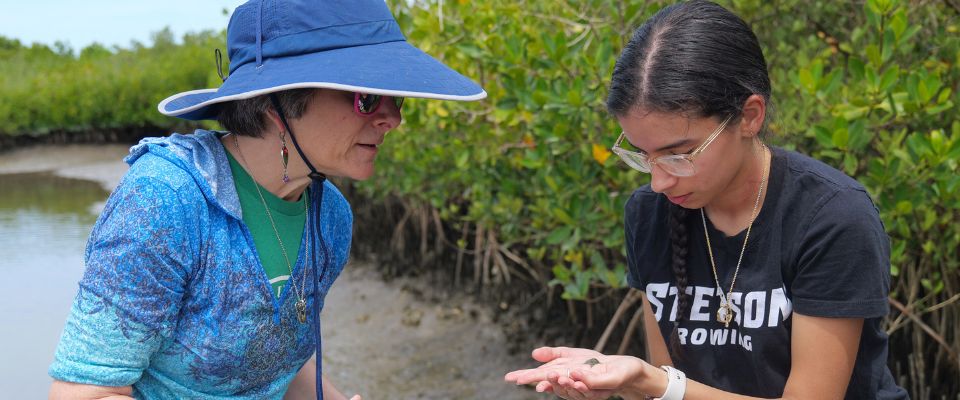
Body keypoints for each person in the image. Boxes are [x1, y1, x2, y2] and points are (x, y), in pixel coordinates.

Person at [47, 0, 485, 399]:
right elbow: (84, 392)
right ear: (277, 104)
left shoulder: (330, 216)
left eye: (396, 97)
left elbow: (278, 362)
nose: (393, 118)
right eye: (367, 98)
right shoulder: (165, 201)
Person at [504, 1, 908, 399]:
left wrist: (654, 383)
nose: (659, 181)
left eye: (679, 155)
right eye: (644, 156)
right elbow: (668, 384)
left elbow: (670, 385)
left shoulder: (832, 218)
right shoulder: (648, 214)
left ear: (750, 116)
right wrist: (626, 384)